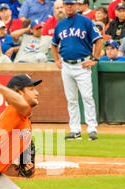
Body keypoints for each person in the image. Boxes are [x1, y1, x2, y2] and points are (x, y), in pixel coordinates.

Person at [51, 0, 103, 141]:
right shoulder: (60, 24)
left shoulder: (86, 21)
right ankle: (75, 130)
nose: (69, 7)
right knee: (71, 99)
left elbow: (99, 40)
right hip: (66, 66)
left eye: (71, 4)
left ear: (77, 5)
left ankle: (92, 128)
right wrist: (56, 59)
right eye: (66, 4)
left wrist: (95, 58)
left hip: (82, 64)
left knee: (87, 97)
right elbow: (54, 44)